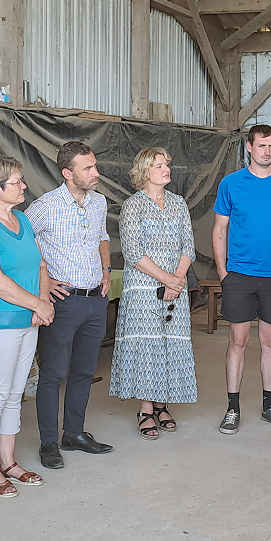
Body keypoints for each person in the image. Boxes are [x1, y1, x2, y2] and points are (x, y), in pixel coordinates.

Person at [0, 157, 55, 497]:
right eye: (17, 182)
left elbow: (40, 264)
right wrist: (38, 305)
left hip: (29, 319)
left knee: (15, 394)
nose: (24, 186)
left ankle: (9, 462)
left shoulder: (21, 220)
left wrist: (42, 302)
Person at [212, 124, 271, 435]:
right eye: (262, 146)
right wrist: (224, 273)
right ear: (249, 148)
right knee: (237, 341)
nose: (268, 151)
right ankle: (233, 407)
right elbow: (219, 230)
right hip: (239, 275)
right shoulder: (231, 184)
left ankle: (269, 406)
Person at [25, 141, 113, 469]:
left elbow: (103, 237)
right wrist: (43, 283)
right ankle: (49, 443)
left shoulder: (99, 202)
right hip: (64, 303)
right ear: (68, 173)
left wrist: (105, 270)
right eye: (87, 168)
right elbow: (20, 241)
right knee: (53, 373)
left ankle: (74, 434)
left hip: (95, 300)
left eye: (94, 165)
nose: (96, 172)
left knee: (84, 372)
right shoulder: (46, 206)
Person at [110, 148, 197, 438]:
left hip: (176, 285)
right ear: (145, 172)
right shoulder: (133, 206)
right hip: (144, 287)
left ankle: (163, 404)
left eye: (166, 164)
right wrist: (166, 280)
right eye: (159, 165)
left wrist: (177, 279)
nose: (166, 169)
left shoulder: (178, 203)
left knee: (170, 344)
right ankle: (146, 409)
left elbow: (188, 246)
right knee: (148, 347)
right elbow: (133, 252)